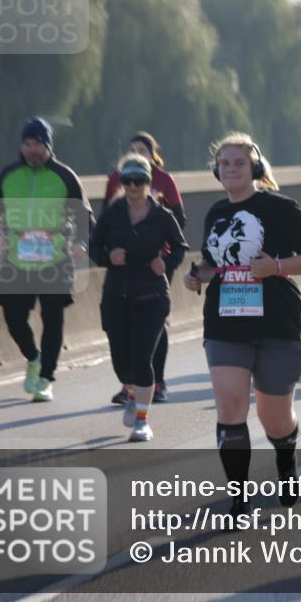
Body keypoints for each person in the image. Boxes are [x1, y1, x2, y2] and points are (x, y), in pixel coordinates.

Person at [183, 132, 301, 519]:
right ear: (217, 170)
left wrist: (277, 267)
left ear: (256, 169)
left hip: (277, 323)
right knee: (230, 407)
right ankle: (238, 500)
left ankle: (285, 456)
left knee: (273, 419)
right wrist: (196, 274)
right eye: (225, 164)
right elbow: (214, 263)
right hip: (225, 323)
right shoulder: (216, 212)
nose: (231, 169)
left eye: (239, 163)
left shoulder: (280, 208)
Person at [0, 117, 94, 402]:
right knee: (13, 317)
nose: (31, 150)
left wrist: (81, 241)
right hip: (16, 258)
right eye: (27, 144)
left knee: (53, 318)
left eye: (37, 145)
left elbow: (84, 216)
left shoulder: (65, 176)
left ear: (48, 146)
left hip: (55, 257)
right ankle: (33, 357)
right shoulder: (8, 175)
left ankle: (46, 378)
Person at [90, 155, 188, 441]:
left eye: (139, 181)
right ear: (122, 183)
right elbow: (94, 246)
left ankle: (142, 421)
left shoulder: (162, 215)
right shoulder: (112, 213)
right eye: (127, 181)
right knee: (122, 363)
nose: (133, 186)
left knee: (142, 357)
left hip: (152, 296)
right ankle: (132, 393)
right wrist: (108, 257)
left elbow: (180, 248)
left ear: (148, 182)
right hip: (116, 296)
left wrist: (166, 264)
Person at [104, 132, 185, 404]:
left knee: (153, 323)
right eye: (132, 150)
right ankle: (129, 383)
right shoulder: (116, 178)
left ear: (153, 155)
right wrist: (108, 254)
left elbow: (179, 222)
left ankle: (156, 380)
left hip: (155, 263)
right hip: (124, 265)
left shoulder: (164, 180)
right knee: (122, 327)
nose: (137, 154)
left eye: (142, 150)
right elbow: (104, 222)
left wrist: (164, 256)